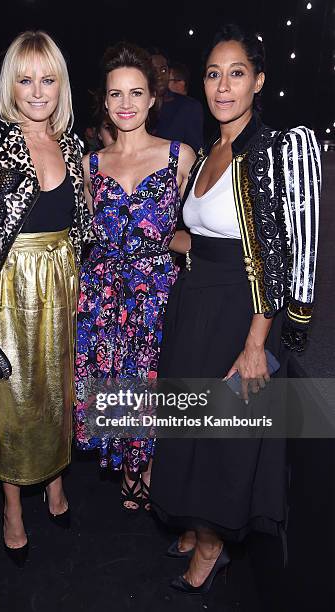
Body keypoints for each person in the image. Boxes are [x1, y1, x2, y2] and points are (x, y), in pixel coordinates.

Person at [150, 24, 321, 594]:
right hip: (193, 307)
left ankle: (212, 544)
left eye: (237, 73)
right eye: (214, 73)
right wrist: (144, 233)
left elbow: (279, 253)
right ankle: (195, 525)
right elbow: (201, 235)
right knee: (191, 427)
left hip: (241, 315)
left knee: (223, 436)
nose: (224, 85)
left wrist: (256, 342)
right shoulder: (207, 151)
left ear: (259, 80)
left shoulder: (272, 150)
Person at [0, 30, 91, 566]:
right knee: (9, 401)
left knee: (56, 391)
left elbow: (80, 225)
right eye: (26, 79)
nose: (37, 91)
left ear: (61, 85)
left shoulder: (73, 143)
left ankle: (55, 484)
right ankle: (12, 507)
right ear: (11, 83)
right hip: (5, 287)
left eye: (48, 79)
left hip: (60, 284)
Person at [74, 42, 195, 511]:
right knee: (115, 377)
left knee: (153, 379)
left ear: (151, 100)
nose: (126, 104)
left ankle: (149, 465)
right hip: (104, 293)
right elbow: (85, 237)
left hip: (158, 290)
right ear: (105, 102)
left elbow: (197, 230)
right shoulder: (89, 166)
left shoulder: (178, 157)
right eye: (116, 94)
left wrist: (165, 242)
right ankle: (129, 465)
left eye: (136, 93)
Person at [149, 49, 204, 152]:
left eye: (163, 70)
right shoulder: (136, 109)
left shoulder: (188, 107)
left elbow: (196, 154)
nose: (159, 76)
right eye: (153, 71)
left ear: (169, 73)